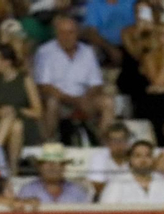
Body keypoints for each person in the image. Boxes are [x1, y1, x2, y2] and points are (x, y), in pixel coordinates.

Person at [34, 14, 113, 143]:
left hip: (84, 98)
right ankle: (48, 142)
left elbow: (96, 83)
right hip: (59, 100)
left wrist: (85, 98)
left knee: (107, 102)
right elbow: (44, 86)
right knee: (52, 102)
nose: (66, 37)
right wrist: (72, 100)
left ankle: (102, 143)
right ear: (56, 34)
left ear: (77, 33)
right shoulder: (45, 51)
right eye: (62, 33)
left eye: (70, 32)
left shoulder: (87, 51)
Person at [0, 45, 40, 171]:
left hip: (27, 124)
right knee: (16, 125)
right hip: (3, 125)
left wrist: (16, 109)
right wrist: (1, 112)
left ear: (7, 62)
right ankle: (13, 169)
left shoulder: (25, 79)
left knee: (16, 121)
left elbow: (38, 112)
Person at [98, 138, 164, 203]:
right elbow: (106, 213)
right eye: (138, 156)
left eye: (147, 155)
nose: (143, 160)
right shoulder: (116, 183)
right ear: (130, 159)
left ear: (153, 159)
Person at [16, 142, 91, 203]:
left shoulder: (77, 192)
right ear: (40, 167)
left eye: (56, 162)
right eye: (47, 163)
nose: (51, 166)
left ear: (63, 167)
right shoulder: (28, 191)